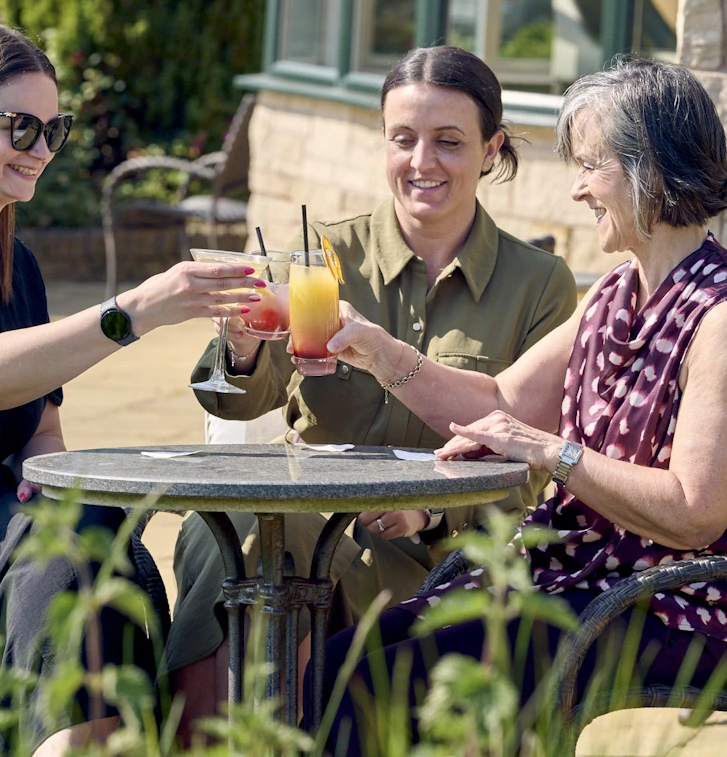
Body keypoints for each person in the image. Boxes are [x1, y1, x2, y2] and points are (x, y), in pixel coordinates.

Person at [315, 57, 727, 754]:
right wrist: (374, 349)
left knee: (382, 687)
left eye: (590, 164)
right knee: (338, 667)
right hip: (571, 583)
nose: (577, 187)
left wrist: (554, 453)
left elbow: (695, 510)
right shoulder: (616, 291)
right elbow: (497, 401)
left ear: (651, 171)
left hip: (667, 609)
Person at [0, 23, 263, 756]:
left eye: (55, 129)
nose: (42, 149)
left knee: (92, 528)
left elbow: (40, 430)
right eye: (21, 126)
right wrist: (133, 312)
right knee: (75, 548)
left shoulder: (18, 267)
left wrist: (46, 480)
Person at [173, 46, 578, 729]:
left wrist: (434, 513)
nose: (422, 162)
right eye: (403, 139)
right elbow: (238, 399)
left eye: (449, 141)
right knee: (233, 535)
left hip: (433, 557)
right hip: (301, 523)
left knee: (275, 554)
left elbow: (534, 459)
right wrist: (240, 345)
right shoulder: (323, 255)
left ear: (490, 149)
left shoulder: (539, 285)